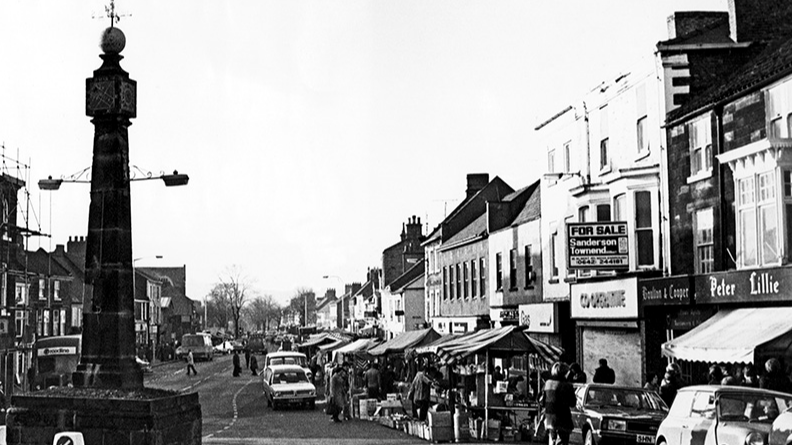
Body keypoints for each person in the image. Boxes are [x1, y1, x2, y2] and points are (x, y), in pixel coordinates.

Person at [543, 362, 576, 445]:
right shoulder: (566, 385)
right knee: (562, 441)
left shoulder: (548, 383)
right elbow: (572, 403)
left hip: (549, 418)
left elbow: (542, 401)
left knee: (552, 439)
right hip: (562, 418)